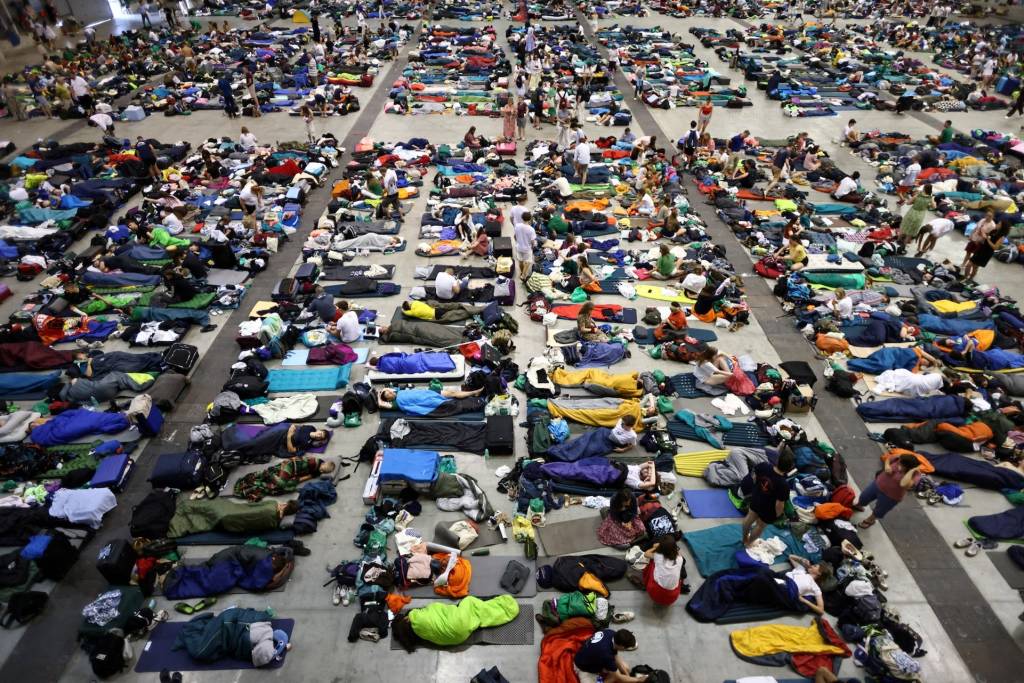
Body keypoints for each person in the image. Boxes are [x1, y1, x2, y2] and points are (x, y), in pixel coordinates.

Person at [854, 452, 923, 528]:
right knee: (864, 497)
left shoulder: (915, 475)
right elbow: (889, 458)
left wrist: (911, 471)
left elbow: (903, 484)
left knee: (879, 510)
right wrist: (887, 465)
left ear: (907, 466)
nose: (898, 462)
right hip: (877, 485)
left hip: (890, 496)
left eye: (901, 463)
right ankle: (859, 505)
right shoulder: (898, 459)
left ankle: (870, 520)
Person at [741, 448, 794, 546]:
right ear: (790, 468)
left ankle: (744, 538)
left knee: (749, 518)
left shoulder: (764, 466)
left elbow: (754, 477)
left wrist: (757, 489)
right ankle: (748, 543)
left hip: (757, 499)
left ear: (777, 460)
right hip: (768, 509)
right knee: (760, 526)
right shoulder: (784, 485)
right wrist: (778, 515)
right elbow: (779, 504)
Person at [573, 629, 647, 683]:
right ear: (621, 646)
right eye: (626, 648)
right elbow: (619, 678)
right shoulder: (606, 655)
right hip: (583, 668)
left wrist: (628, 676)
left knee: (625, 668)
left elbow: (615, 656)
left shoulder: (610, 633)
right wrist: (638, 680)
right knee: (615, 677)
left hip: (591, 657)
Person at [640, 535, 685, 606]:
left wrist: (655, 547)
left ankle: (646, 581)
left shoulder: (658, 556)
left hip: (655, 594)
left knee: (651, 563)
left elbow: (646, 554)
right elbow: (677, 553)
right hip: (673, 597)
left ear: (661, 548)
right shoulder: (680, 559)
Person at [962, 209, 996, 279]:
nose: (987, 217)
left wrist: (980, 240)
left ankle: (972, 274)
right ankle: (963, 264)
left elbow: (988, 236)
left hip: (980, 242)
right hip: (974, 238)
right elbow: (976, 227)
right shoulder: (982, 220)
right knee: (968, 252)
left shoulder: (992, 226)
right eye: (987, 215)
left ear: (993, 217)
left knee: (975, 258)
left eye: (989, 216)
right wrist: (971, 235)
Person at [513, 211, 537, 281]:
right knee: (528, 261)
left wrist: (518, 242)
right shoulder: (531, 229)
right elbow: (532, 241)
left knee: (520, 261)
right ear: (530, 219)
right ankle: (523, 275)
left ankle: (521, 272)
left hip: (519, 247)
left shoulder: (517, 226)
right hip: (527, 248)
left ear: (522, 218)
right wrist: (532, 246)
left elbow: (515, 236)